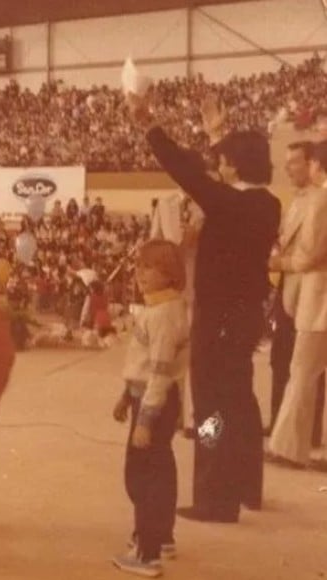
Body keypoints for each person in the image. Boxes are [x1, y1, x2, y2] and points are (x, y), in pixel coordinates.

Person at [127, 93, 281, 522]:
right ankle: (248, 485)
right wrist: (218, 134)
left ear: (236, 165)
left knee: (212, 410)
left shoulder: (229, 203)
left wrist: (149, 126)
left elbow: (188, 171)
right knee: (241, 401)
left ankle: (217, 495)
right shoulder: (266, 203)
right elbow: (219, 176)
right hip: (245, 317)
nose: (220, 164)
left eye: (226, 159)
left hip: (217, 320)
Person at [112, 240, 189, 578]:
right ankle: (162, 535)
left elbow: (158, 373)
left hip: (154, 403)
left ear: (170, 274)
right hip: (148, 397)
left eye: (150, 268)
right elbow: (142, 366)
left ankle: (147, 551)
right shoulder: (162, 308)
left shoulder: (161, 316)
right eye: (139, 266)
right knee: (160, 468)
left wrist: (145, 419)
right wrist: (126, 395)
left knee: (141, 477)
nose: (140, 273)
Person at [267, 140, 327, 469]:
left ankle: (289, 448)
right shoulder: (309, 200)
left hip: (318, 300)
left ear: (316, 165)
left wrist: (280, 263)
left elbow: (309, 254)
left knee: (302, 373)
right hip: (313, 299)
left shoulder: (320, 200)